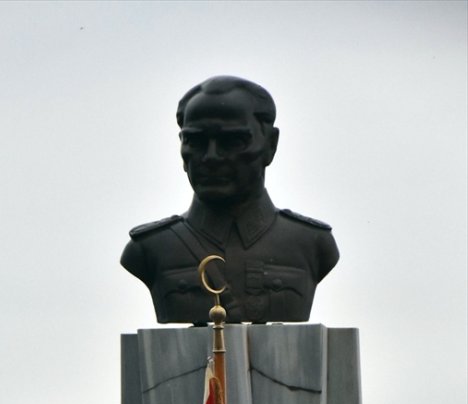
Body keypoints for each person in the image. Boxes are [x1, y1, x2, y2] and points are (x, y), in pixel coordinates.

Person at [120, 76, 339, 325]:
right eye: (196, 141)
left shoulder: (313, 244)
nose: (211, 157)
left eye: (232, 141)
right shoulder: (148, 249)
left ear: (270, 145)